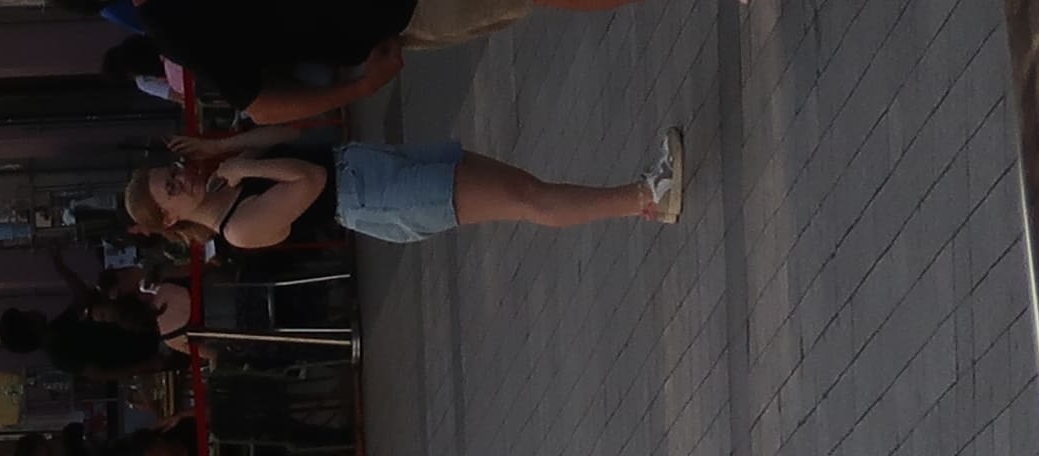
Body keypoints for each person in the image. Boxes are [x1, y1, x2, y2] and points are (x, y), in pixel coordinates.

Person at [130, 127, 690, 255]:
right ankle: (643, 195)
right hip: (377, 197)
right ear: (174, 218)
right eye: (172, 189)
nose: (182, 178)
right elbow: (309, 180)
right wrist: (250, 164)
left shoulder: (229, 174)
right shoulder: (239, 227)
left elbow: (296, 136)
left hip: (369, 165)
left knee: (523, 187)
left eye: (173, 170)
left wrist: (225, 146)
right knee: (525, 201)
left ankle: (641, 198)